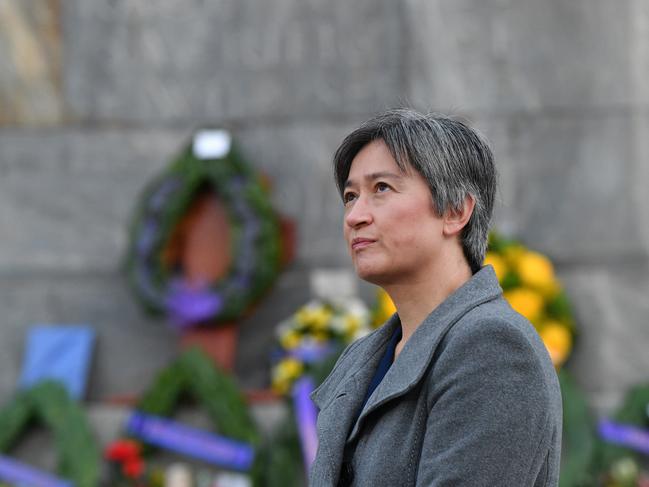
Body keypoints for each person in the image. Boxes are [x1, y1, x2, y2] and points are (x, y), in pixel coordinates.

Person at [309, 109, 562, 486]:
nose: (354, 216)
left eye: (381, 188)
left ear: (456, 210)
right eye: (350, 195)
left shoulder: (492, 348)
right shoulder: (364, 360)